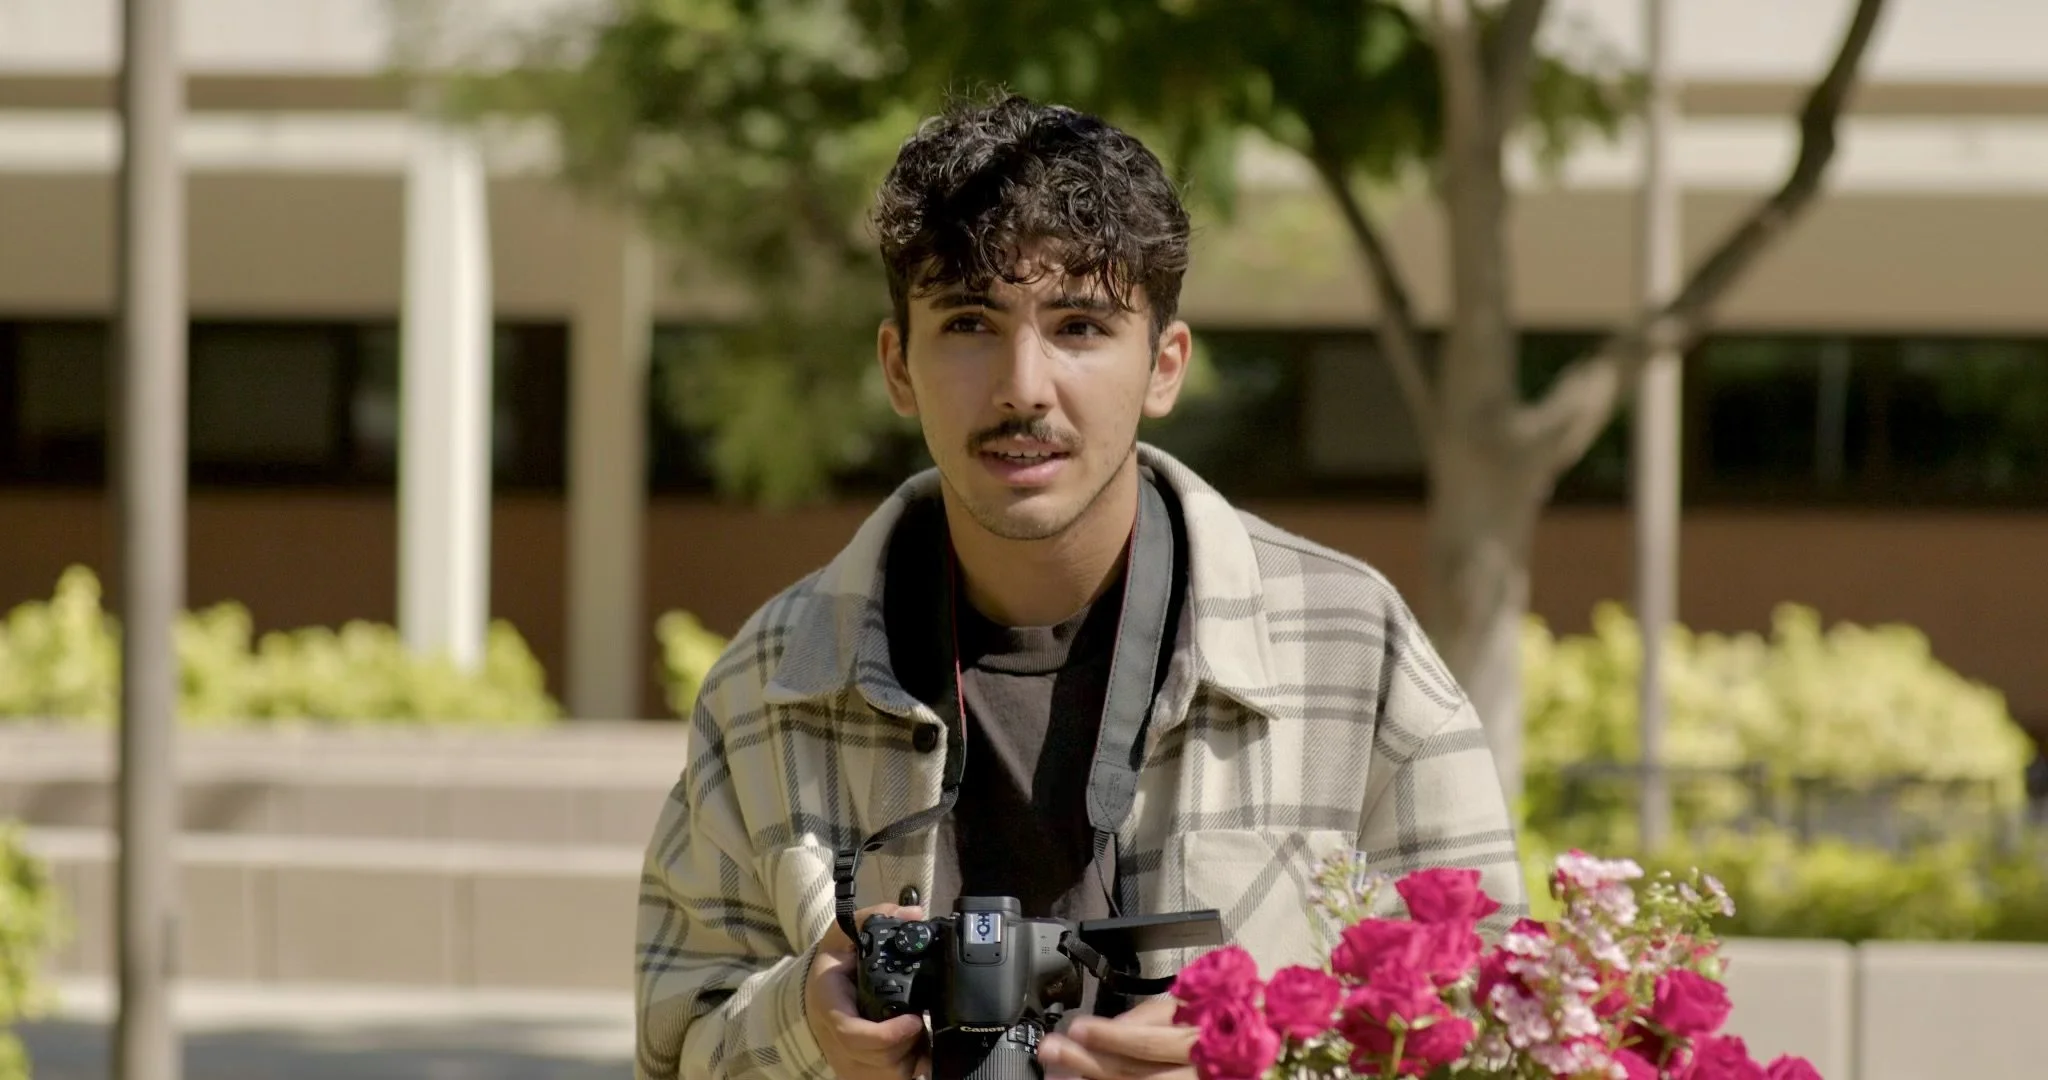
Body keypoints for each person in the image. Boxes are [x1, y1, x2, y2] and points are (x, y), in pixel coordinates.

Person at [634, 94, 1526, 1080]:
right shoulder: (770, 679)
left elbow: (1498, 1028)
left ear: (1163, 365)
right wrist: (806, 1024)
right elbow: (674, 1043)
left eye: (1079, 325)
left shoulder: (1354, 650)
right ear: (898, 366)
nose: (1023, 385)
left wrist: (1252, 1056)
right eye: (969, 321)